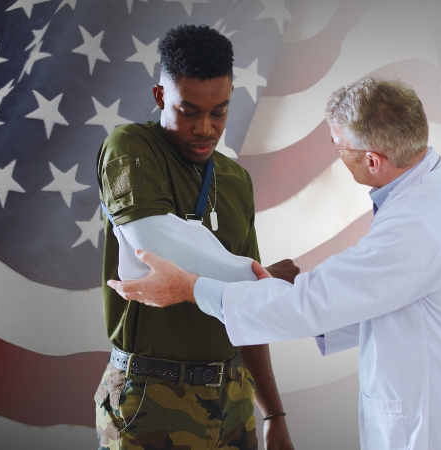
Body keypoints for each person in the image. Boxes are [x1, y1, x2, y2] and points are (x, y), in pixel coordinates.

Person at [108, 78, 441, 449]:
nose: (335, 152)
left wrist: (192, 287)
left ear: (372, 160)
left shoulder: (420, 222)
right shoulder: (438, 193)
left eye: (339, 145)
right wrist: (279, 291)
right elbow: (377, 299)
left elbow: (318, 304)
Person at [95, 24, 296, 450]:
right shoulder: (130, 147)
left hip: (234, 396)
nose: (205, 128)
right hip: (152, 396)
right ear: (160, 97)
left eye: (219, 112)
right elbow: (159, 247)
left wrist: (274, 413)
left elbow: (247, 312)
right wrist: (262, 277)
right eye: (188, 111)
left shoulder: (235, 178)